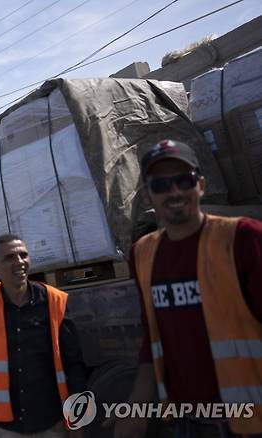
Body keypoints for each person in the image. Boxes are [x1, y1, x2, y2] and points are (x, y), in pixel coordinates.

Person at [115, 139, 262, 438]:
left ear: (202, 185)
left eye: (184, 180)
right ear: (147, 196)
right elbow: (151, 338)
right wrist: (136, 407)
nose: (175, 192)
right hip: (186, 422)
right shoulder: (142, 254)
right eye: (161, 185)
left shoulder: (243, 238)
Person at [0, 234, 86, 438]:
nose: (19, 262)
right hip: (8, 427)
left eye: (23, 255)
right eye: (10, 257)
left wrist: (78, 419)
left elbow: (73, 365)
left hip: (51, 421)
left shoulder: (54, 301)